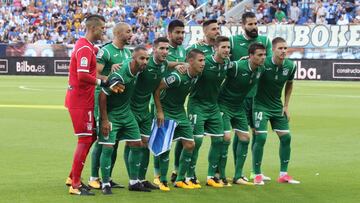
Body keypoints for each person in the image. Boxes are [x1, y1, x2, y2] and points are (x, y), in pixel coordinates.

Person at [129, 37, 187, 190]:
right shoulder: (145, 65)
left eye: (167, 49)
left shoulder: (163, 65)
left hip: (145, 110)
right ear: (153, 49)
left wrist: (182, 64)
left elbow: (169, 64)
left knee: (144, 144)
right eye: (161, 48)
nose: (165, 52)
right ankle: (132, 180)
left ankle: (140, 179)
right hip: (131, 108)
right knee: (132, 144)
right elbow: (128, 69)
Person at [98, 46, 151, 194]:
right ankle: (105, 184)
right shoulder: (120, 76)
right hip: (112, 114)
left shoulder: (138, 69)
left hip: (127, 113)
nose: (145, 61)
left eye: (147, 58)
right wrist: (104, 120)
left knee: (137, 143)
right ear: (133, 59)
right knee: (108, 147)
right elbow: (102, 95)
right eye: (142, 58)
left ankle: (134, 182)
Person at [64, 14, 108, 196]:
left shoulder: (88, 47)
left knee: (90, 136)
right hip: (80, 100)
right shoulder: (84, 47)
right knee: (84, 139)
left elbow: (89, 72)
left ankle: (72, 177)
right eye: (102, 28)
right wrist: (101, 83)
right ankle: (75, 185)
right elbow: (82, 76)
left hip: (84, 99)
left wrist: (104, 77)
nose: (103, 32)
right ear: (93, 28)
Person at [88, 22, 133, 190]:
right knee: (102, 140)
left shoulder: (128, 53)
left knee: (113, 142)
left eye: (132, 31)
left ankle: (108, 177)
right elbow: (94, 74)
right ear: (118, 33)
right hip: (103, 101)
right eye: (128, 31)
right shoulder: (106, 51)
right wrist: (110, 73)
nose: (131, 34)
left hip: (119, 103)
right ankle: (94, 177)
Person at [154, 49, 205, 191]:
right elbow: (157, 89)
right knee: (165, 147)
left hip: (180, 112)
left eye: (204, 60)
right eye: (200, 60)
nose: (203, 63)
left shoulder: (196, 76)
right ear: (190, 61)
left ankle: (180, 179)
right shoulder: (176, 77)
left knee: (190, 144)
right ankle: (162, 180)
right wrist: (159, 111)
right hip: (166, 111)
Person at [229, 12, 272, 181]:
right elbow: (223, 57)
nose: (254, 27)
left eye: (256, 23)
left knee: (258, 134)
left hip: (258, 96)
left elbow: (267, 65)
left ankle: (256, 171)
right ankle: (237, 170)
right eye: (250, 24)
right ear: (243, 26)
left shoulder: (265, 42)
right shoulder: (233, 41)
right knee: (240, 133)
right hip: (238, 97)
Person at [252, 37, 300, 185]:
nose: (283, 51)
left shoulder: (290, 66)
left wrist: (286, 106)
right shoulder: (263, 64)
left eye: (285, 48)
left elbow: (290, 85)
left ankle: (283, 174)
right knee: (260, 138)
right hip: (260, 105)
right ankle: (257, 174)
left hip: (276, 106)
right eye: (280, 48)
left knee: (286, 138)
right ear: (272, 50)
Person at [218, 43, 266, 186]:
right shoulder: (237, 66)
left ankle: (238, 176)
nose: (263, 58)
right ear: (250, 56)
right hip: (224, 105)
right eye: (259, 55)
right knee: (225, 138)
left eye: (264, 55)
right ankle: (220, 175)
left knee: (245, 138)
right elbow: (219, 68)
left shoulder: (260, 69)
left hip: (238, 107)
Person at [186, 36, 231, 187]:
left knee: (219, 140)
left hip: (213, 107)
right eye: (223, 47)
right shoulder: (204, 63)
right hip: (197, 105)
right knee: (196, 142)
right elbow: (189, 65)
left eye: (228, 47)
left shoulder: (227, 64)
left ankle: (212, 176)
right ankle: (189, 175)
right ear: (215, 48)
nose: (226, 50)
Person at [154, 19, 187, 184]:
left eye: (182, 32)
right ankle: (158, 174)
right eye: (177, 32)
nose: (180, 35)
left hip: (178, 105)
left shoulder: (184, 51)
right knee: (161, 141)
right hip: (162, 102)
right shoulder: (164, 51)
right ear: (169, 33)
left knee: (183, 139)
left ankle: (175, 170)